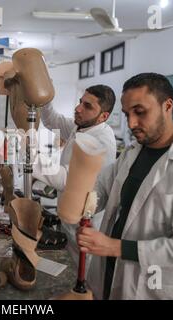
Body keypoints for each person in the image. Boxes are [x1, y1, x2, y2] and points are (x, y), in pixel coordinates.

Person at [77, 73, 173, 299]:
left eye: (140, 112)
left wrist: (115, 247)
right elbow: (99, 191)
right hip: (113, 274)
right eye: (127, 114)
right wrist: (77, 202)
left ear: (167, 106)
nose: (131, 124)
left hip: (158, 286)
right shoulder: (132, 154)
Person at [33, 85, 117, 260]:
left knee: (81, 272)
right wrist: (44, 95)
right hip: (68, 214)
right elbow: (51, 120)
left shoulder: (101, 142)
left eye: (88, 106)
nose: (78, 109)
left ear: (104, 116)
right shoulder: (81, 126)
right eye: (80, 102)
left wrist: (29, 159)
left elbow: (68, 179)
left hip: (86, 225)